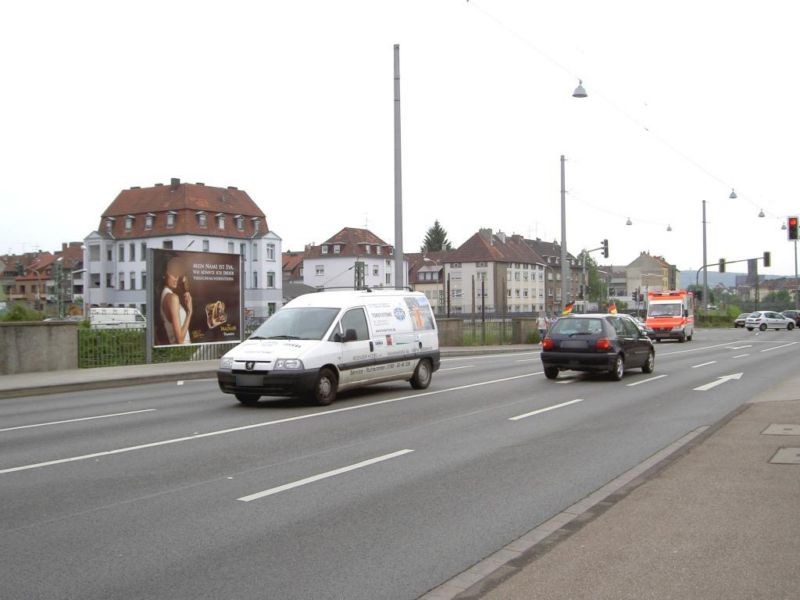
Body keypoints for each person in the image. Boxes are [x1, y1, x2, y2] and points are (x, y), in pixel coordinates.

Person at [160, 256, 192, 344]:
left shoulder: (164, 295)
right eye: (172, 273)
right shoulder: (172, 298)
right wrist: (189, 312)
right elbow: (180, 340)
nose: (176, 277)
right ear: (164, 274)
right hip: (183, 351)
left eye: (177, 273)